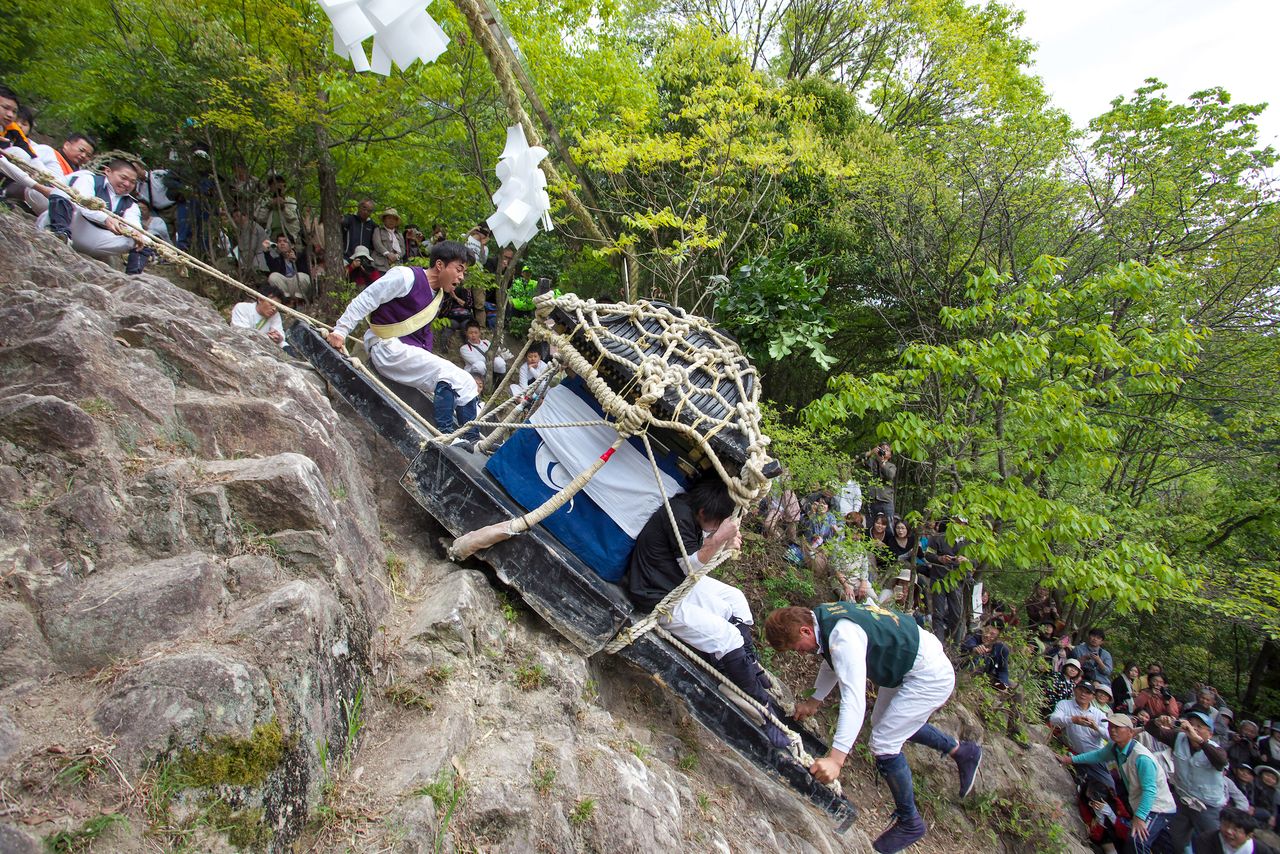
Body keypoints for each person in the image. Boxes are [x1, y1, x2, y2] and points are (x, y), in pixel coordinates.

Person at [764, 602, 982, 853]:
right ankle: (961, 751)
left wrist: (836, 759)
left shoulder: (841, 636)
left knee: (884, 742)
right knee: (884, 724)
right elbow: (833, 661)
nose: (799, 653)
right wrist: (814, 701)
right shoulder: (824, 618)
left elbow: (853, 700)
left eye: (796, 648)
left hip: (927, 673)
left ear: (804, 631)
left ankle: (909, 821)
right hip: (910, 657)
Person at [624, 475, 790, 748]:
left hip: (674, 581)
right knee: (727, 637)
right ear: (704, 512)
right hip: (655, 593)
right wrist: (720, 539)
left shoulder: (693, 511)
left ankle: (745, 668)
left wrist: (721, 541)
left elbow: (698, 555)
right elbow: (692, 564)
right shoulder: (679, 516)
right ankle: (761, 709)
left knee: (734, 599)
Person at [325, 241, 481, 438]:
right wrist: (340, 331)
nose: (461, 276)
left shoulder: (438, 295)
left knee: (467, 384)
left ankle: (472, 439)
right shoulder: (405, 276)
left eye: (464, 272)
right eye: (459, 269)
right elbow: (367, 298)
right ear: (440, 265)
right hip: (386, 348)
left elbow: (423, 335)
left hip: (404, 353)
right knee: (453, 376)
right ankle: (447, 436)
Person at [1058, 713, 1177, 854]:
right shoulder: (1116, 747)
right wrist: (1070, 760)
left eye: (1117, 727)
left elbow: (1150, 790)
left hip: (1158, 807)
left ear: (1130, 732)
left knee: (1137, 840)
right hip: (1143, 804)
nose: (1112, 730)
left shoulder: (1142, 758)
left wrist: (1140, 817)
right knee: (1160, 845)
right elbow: (1098, 755)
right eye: (1110, 727)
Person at [47, 155, 148, 275]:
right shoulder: (89, 179)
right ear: (108, 171)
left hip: (98, 240)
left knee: (144, 239)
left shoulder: (131, 204)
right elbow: (83, 202)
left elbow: (133, 222)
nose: (127, 184)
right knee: (62, 193)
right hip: (74, 226)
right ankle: (60, 234)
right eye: (123, 178)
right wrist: (105, 218)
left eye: (132, 182)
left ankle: (133, 276)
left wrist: (136, 232)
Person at [1146, 710, 1230, 851]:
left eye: (1199, 726)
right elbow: (1152, 730)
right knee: (1177, 837)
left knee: (1212, 841)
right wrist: (1157, 721)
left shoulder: (1216, 749)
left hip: (1207, 804)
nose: (1194, 728)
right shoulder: (1179, 738)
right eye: (1191, 724)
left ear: (1210, 733)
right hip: (1183, 799)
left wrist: (1200, 741)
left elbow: (1220, 762)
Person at [1051, 681, 1113, 788]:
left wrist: (1096, 728)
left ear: (1093, 696)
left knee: (1108, 786)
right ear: (1075, 690)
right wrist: (1072, 719)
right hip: (1072, 752)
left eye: (1087, 692)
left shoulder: (1099, 714)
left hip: (1093, 756)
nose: (1083, 694)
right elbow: (1053, 720)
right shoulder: (1064, 704)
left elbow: (1110, 736)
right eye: (1081, 690)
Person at [1193, 806, 1279, 854]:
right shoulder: (1206, 840)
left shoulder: (1261, 850)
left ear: (1249, 835)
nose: (1228, 831)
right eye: (1225, 825)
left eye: (1236, 830)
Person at [960, 621, 1012, 690]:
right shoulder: (974, 636)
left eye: (992, 634)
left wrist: (1003, 683)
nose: (987, 635)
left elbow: (1003, 670)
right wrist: (975, 649)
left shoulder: (1002, 649)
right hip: (968, 674)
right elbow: (968, 645)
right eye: (986, 631)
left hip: (987, 677)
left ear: (998, 638)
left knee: (1016, 688)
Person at [458, 320, 508, 390]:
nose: (473, 335)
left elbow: (497, 351)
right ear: (466, 333)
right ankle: (479, 387)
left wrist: (500, 355)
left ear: (479, 332)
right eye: (470, 333)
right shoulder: (464, 348)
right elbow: (475, 361)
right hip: (475, 372)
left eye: (476, 332)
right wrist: (492, 357)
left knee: (500, 362)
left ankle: (497, 386)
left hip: (489, 369)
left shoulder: (486, 343)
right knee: (480, 365)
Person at [254, 174, 300, 245]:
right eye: (274, 185)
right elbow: (259, 218)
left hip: (290, 233)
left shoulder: (291, 200)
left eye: (280, 185)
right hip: (272, 235)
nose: (278, 187)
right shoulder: (265, 201)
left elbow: (292, 218)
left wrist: (283, 207)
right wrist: (269, 206)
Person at [264, 234, 312, 304]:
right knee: (273, 276)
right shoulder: (278, 259)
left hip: (298, 286)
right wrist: (266, 252)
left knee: (300, 276)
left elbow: (306, 273)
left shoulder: (301, 256)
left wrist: (295, 261)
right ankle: (287, 301)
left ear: (292, 245)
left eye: (285, 241)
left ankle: (298, 302)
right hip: (286, 287)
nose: (282, 244)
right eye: (279, 242)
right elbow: (273, 271)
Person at [862, 442, 896, 522]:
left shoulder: (891, 466)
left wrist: (882, 463)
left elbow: (890, 475)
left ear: (890, 455)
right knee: (870, 526)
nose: (884, 451)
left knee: (889, 527)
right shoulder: (870, 462)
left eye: (887, 450)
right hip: (871, 500)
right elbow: (856, 461)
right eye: (882, 449)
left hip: (886, 501)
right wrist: (870, 453)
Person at [372, 208, 404, 272]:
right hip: (380, 265)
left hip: (396, 265)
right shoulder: (378, 230)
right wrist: (388, 254)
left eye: (394, 219)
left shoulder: (399, 234)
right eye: (389, 218)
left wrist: (396, 256)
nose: (391, 221)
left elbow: (403, 249)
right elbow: (377, 243)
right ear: (384, 220)